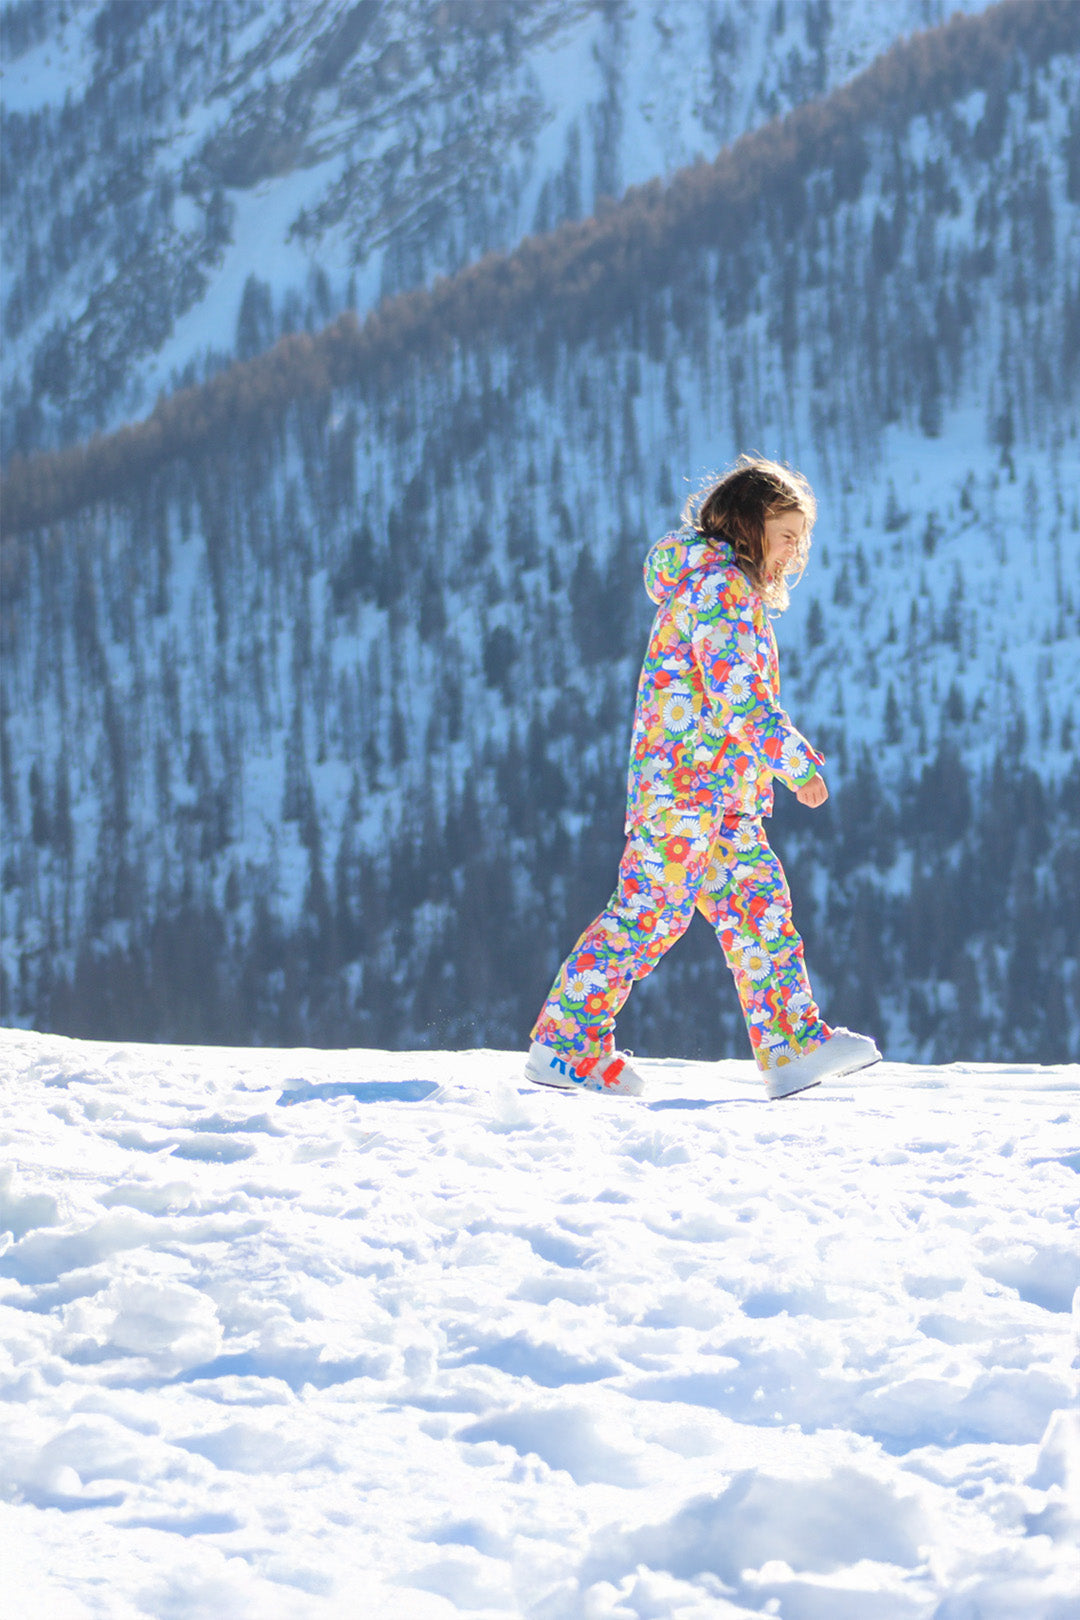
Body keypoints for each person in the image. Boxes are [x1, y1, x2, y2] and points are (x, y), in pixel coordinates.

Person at [525, 455, 881, 1100]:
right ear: (749, 525)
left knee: (758, 910)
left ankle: (792, 1047)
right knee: (648, 913)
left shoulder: (722, 587)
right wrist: (796, 764)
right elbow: (736, 695)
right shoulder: (719, 590)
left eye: (803, 538)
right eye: (787, 534)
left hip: (718, 795)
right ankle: (567, 1042)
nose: (797, 551)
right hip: (685, 794)